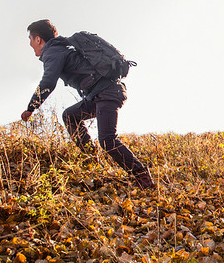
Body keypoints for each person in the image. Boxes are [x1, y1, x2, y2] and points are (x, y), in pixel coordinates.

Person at [22, 19, 154, 189]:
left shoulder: (53, 52)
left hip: (106, 93)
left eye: (30, 40)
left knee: (107, 139)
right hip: (100, 94)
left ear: (38, 39)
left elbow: (48, 82)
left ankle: (143, 176)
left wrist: (31, 108)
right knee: (70, 116)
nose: (31, 44)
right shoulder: (63, 47)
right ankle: (91, 158)